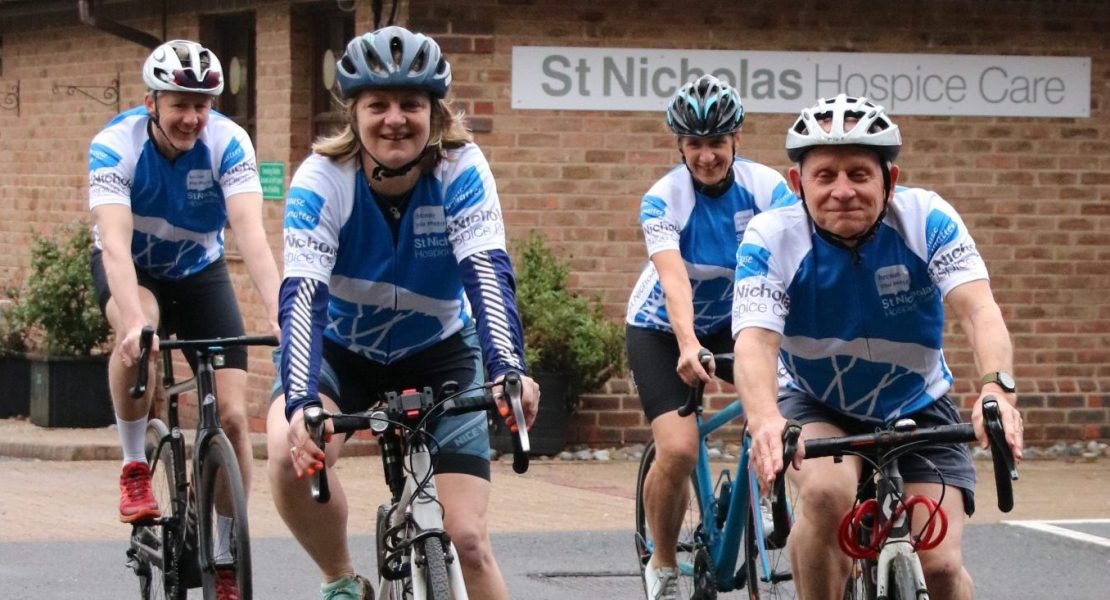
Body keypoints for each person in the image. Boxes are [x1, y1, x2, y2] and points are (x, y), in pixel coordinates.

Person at [265, 26, 541, 600]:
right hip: (342, 354)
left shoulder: (461, 169)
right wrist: (300, 406)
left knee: (467, 541)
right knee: (291, 454)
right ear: (354, 113)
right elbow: (303, 300)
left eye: (411, 104)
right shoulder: (321, 180)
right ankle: (340, 578)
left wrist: (509, 369)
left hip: (439, 351)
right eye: (378, 105)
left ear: (434, 113)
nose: (395, 119)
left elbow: (486, 274)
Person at [732, 94, 1025, 599]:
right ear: (797, 184)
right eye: (825, 176)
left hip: (919, 405)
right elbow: (756, 341)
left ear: (889, 180)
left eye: (859, 175)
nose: (842, 191)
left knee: (942, 566)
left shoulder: (927, 219)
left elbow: (979, 310)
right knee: (825, 495)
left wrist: (997, 389)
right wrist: (764, 419)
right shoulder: (770, 236)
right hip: (817, 401)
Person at [88, 39, 281, 597]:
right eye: (180, 103)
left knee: (235, 418)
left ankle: (223, 555)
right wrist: (130, 323)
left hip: (200, 269)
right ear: (152, 102)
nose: (192, 117)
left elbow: (252, 237)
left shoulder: (228, 143)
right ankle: (132, 465)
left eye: (203, 104)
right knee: (140, 329)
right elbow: (117, 250)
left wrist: (280, 311)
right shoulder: (114, 146)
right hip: (136, 270)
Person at [625, 74, 792, 600]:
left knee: (779, 412)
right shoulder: (663, 199)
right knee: (677, 448)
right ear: (680, 145)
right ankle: (664, 563)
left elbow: (795, 267)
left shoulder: (770, 190)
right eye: (694, 144)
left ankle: (768, 500)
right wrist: (688, 342)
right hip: (662, 327)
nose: (705, 156)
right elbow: (674, 282)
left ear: (736, 139)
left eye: (716, 143)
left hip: (743, 320)